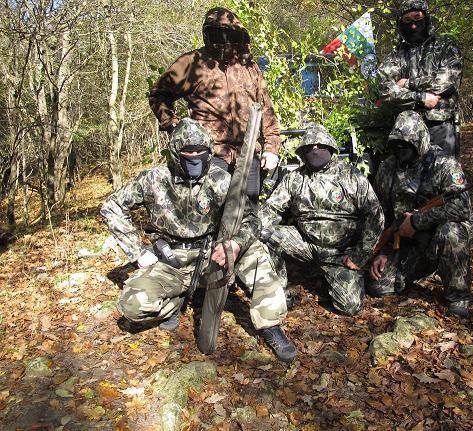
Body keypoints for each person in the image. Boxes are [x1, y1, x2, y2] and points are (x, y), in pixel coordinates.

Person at [101, 119, 296, 362]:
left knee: (256, 252)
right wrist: (137, 251)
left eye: (200, 152)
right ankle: (175, 302)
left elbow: (252, 220)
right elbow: (112, 206)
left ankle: (270, 325)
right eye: (187, 152)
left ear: (209, 151)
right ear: (174, 152)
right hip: (171, 260)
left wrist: (235, 245)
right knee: (132, 305)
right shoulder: (154, 178)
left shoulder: (221, 179)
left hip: (214, 254)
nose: (194, 157)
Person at [149, 7, 281, 200]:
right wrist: (176, 127)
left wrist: (271, 149)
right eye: (217, 34)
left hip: (249, 155)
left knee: (248, 215)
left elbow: (266, 109)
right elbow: (159, 95)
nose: (224, 40)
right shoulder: (193, 63)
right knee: (210, 215)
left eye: (228, 34)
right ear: (207, 34)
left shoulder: (249, 67)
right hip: (210, 156)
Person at [259, 123, 384, 316]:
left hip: (340, 251)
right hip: (304, 242)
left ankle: (335, 278)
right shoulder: (295, 178)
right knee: (264, 234)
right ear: (302, 152)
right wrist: (253, 228)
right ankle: (278, 291)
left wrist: (360, 254)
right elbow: (271, 208)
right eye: (309, 148)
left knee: (350, 307)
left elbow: (375, 215)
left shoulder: (350, 175)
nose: (315, 151)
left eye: (321, 147)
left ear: (331, 148)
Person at [369, 110, 473, 318]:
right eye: (396, 142)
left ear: (420, 140)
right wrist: (381, 252)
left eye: (406, 142)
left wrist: (417, 221)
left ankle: (458, 296)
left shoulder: (445, 164)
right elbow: (381, 214)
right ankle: (422, 269)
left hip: (440, 235)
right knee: (378, 287)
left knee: (451, 232)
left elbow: (462, 207)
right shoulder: (387, 168)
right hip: (407, 240)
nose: (400, 147)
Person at [377, 0, 463, 157]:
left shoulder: (446, 47)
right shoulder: (396, 55)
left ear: (426, 18)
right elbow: (384, 89)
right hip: (405, 133)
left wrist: (408, 83)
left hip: (440, 126)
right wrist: (419, 97)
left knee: (442, 175)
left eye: (417, 18)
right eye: (407, 21)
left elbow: (443, 82)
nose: (413, 26)